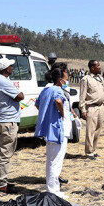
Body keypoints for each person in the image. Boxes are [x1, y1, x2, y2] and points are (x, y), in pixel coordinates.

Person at [36, 68, 70, 197]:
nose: (66, 81)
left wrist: (47, 114)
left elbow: (38, 104)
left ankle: (52, 188)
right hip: (57, 129)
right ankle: (54, 190)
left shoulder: (45, 90)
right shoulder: (57, 90)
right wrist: (61, 114)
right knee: (56, 161)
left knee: (51, 159)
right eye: (66, 79)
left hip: (49, 129)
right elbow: (58, 101)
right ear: (60, 80)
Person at [0, 57, 25, 193]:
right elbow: (20, 96)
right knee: (5, 154)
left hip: (3, 120)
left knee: (3, 153)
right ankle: (2, 184)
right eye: (11, 66)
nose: (12, 68)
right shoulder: (3, 82)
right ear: (7, 69)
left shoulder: (1, 81)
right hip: (8, 121)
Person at [79, 60, 104, 158]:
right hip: (91, 108)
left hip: (101, 107)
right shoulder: (86, 79)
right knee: (90, 131)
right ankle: (88, 152)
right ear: (92, 68)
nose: (100, 67)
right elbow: (82, 96)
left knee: (98, 130)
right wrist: (83, 110)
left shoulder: (100, 78)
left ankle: (93, 150)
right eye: (97, 66)